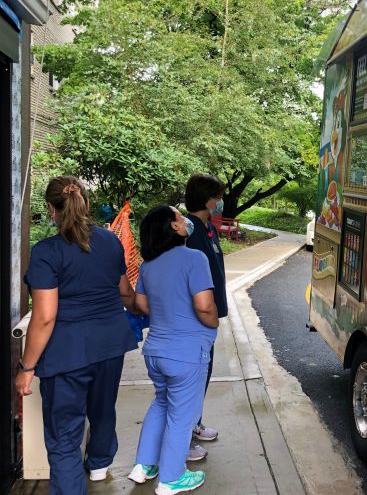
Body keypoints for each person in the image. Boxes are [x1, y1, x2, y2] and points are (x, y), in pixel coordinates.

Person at [15, 176, 139, 494]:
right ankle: (99, 464)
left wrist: (26, 368)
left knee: (64, 437)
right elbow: (125, 291)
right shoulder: (111, 241)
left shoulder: (46, 252)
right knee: (102, 407)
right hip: (110, 345)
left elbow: (44, 317)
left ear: (51, 210)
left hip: (66, 354)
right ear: (84, 203)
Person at [128, 205, 219, 494]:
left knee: (161, 405)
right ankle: (171, 477)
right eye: (179, 218)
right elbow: (204, 305)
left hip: (156, 351)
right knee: (182, 415)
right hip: (187, 352)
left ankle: (144, 466)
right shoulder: (195, 258)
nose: (185, 221)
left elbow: (141, 305)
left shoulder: (148, 265)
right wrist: (214, 320)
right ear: (173, 228)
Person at [183, 174, 227, 460]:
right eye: (217, 197)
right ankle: (184, 439)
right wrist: (208, 316)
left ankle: (195, 424)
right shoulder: (190, 231)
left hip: (208, 315)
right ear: (207, 199)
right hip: (197, 318)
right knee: (193, 376)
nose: (220, 201)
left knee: (204, 372)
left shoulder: (207, 227)